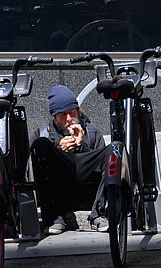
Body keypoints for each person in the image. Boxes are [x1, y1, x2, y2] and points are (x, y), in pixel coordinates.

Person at [29, 85, 110, 235]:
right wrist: (60, 151)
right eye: (62, 115)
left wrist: (81, 146)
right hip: (59, 194)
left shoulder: (92, 133)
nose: (68, 119)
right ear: (54, 117)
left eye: (72, 113)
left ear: (78, 111)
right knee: (39, 145)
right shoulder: (42, 134)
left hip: (89, 192)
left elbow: (100, 167)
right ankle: (54, 218)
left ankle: (98, 214)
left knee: (113, 150)